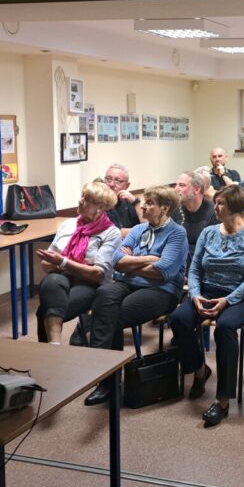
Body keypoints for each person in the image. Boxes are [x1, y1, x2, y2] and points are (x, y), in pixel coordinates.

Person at [169, 185, 244, 427]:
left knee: (224, 328)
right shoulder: (209, 232)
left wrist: (227, 301)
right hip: (208, 291)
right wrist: (195, 295)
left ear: (235, 208)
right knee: (179, 319)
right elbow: (195, 269)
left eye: (221, 204)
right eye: (217, 203)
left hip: (241, 297)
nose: (216, 207)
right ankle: (200, 370)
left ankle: (223, 399)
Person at [83, 186, 188, 406]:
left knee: (112, 317)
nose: (143, 206)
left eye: (149, 203)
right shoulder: (138, 229)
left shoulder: (177, 233)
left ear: (164, 209)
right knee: (104, 293)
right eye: (143, 202)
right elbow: (116, 261)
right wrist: (150, 258)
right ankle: (105, 375)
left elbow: (164, 271)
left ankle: (105, 380)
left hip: (162, 291)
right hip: (129, 283)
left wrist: (131, 264)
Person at [34, 181, 122, 344]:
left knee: (45, 310)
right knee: (51, 281)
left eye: (87, 199)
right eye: (82, 196)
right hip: (63, 276)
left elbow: (97, 274)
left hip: (91, 285)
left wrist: (63, 262)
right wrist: (62, 264)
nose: (81, 200)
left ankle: (49, 351)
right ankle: (55, 344)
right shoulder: (68, 224)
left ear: (100, 207)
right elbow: (46, 265)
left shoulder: (111, 232)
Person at [171, 171, 217, 259]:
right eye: (176, 185)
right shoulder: (175, 211)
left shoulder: (214, 213)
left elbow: (211, 249)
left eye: (181, 185)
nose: (176, 189)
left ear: (196, 189)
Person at [103, 163, 142, 236]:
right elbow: (109, 234)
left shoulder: (130, 201)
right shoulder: (97, 203)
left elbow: (147, 225)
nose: (111, 184)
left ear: (127, 186)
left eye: (117, 181)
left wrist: (136, 203)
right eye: (108, 179)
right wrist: (141, 230)